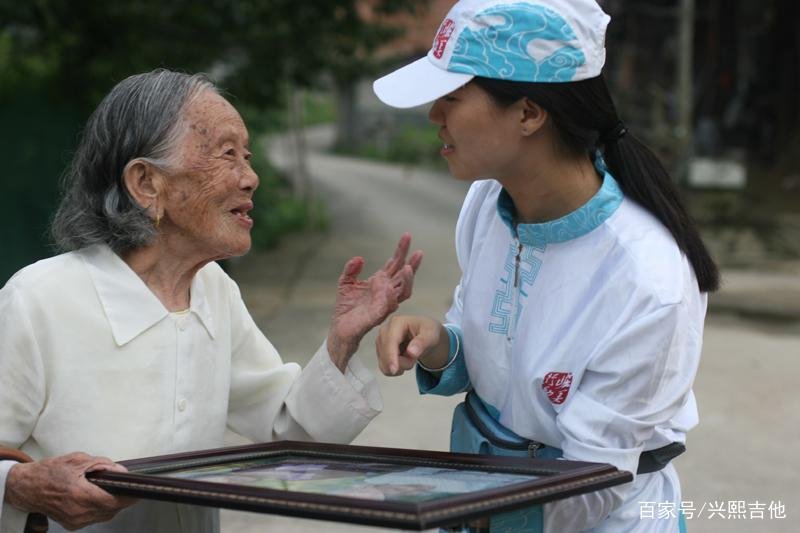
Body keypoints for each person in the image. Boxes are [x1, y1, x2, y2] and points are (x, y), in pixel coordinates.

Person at [0, 69, 423, 533]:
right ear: (146, 183)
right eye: (227, 154)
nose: (251, 178)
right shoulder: (38, 301)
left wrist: (341, 342)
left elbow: (286, 430)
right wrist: (21, 486)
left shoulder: (213, 289)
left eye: (247, 156)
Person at [372, 0, 719, 531]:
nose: (434, 115)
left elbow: (593, 481)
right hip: (481, 501)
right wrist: (439, 344)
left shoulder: (647, 280)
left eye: (452, 97)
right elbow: (491, 355)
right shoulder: (488, 203)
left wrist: (470, 514)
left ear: (529, 113)